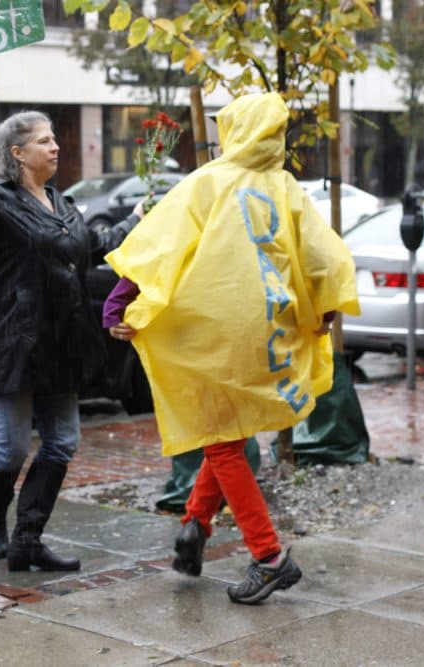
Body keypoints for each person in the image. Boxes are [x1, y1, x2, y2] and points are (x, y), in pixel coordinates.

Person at [104, 92, 360, 604]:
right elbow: (324, 257)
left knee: (220, 439)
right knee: (227, 431)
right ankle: (194, 526)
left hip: (215, 331)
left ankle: (268, 557)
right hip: (270, 332)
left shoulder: (209, 182)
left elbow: (160, 244)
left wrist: (119, 302)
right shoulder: (286, 188)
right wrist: (324, 311)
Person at [0, 111, 141, 572]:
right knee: (12, 446)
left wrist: (137, 220)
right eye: (45, 141)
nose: (56, 147)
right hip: (13, 344)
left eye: (54, 139)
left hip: (61, 345)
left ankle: (27, 539)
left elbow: (93, 246)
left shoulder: (61, 203)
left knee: (63, 441)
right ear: (17, 153)